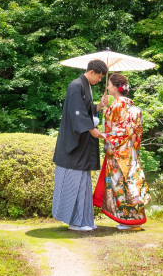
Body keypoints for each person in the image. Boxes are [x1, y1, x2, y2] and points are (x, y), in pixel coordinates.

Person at [52, 59, 109, 231]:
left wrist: (99, 106)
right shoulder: (75, 85)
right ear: (91, 72)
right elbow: (76, 113)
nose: (99, 81)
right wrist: (92, 130)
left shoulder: (86, 86)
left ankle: (85, 220)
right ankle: (75, 222)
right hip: (73, 144)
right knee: (73, 183)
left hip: (83, 143)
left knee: (84, 182)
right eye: (99, 77)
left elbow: (85, 109)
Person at [92, 73, 151, 230]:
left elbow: (119, 131)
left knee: (121, 186)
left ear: (116, 87)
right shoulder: (130, 106)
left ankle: (128, 220)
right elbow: (131, 131)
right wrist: (105, 108)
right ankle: (134, 219)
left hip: (118, 152)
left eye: (109, 84)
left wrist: (102, 134)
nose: (107, 87)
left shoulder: (118, 106)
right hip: (129, 151)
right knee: (130, 184)